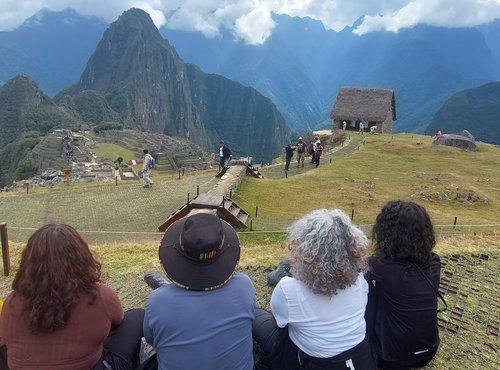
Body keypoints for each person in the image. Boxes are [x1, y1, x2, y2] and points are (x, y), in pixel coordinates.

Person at [0, 223, 144, 370]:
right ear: (82, 257)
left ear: (28, 262)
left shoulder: (11, 302)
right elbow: (118, 319)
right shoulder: (99, 295)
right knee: (138, 316)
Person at [253, 209, 375, 370]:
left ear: (304, 249)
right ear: (352, 248)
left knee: (254, 314)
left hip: (312, 362)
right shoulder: (361, 281)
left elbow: (278, 323)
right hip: (362, 361)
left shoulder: (288, 289)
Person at [143, 213, 256, 370]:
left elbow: (151, 341)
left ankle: (168, 288)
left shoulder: (157, 301)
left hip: (165, 300)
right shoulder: (244, 285)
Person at [365, 200, 442, 370]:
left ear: (386, 233)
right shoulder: (434, 263)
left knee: (368, 293)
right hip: (429, 349)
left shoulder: (378, 267)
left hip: (391, 358)